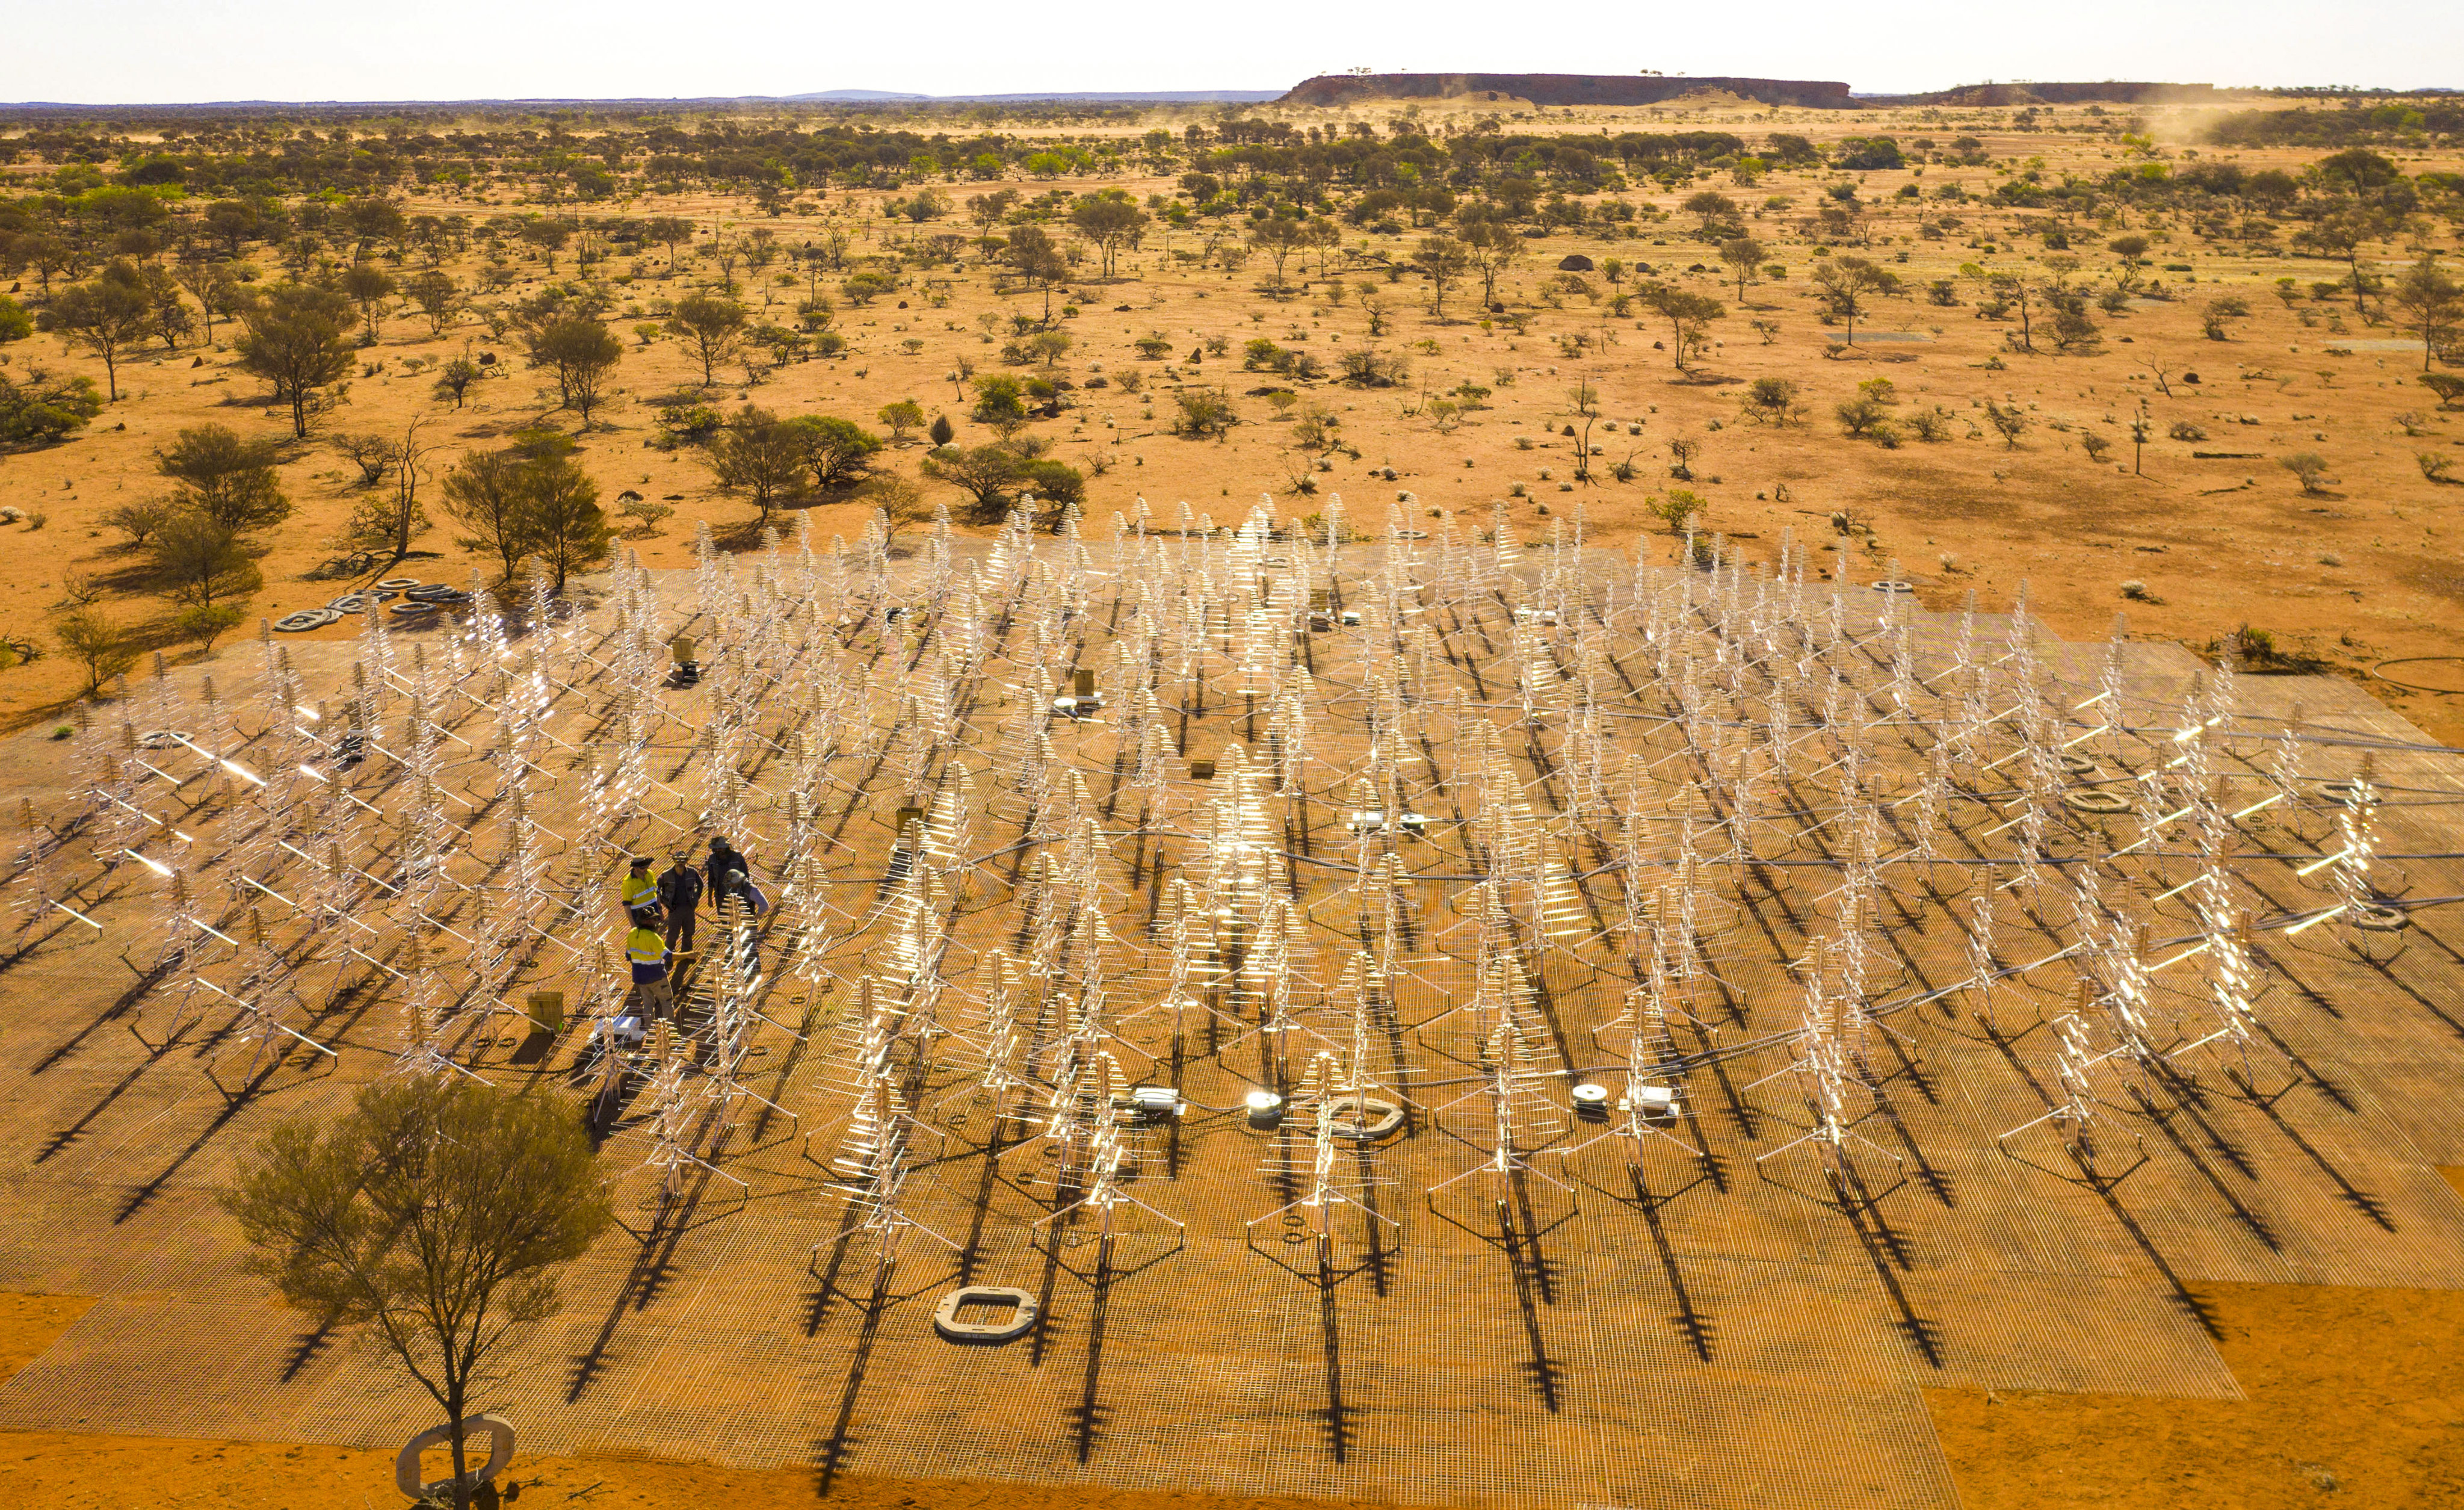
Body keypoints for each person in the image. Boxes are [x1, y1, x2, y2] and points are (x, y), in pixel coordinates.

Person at [626, 912, 675, 1021]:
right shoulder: (654, 938)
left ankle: (650, 1031)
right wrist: (689, 955)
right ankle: (670, 1031)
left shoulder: (633, 933)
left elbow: (628, 956)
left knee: (648, 1004)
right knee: (667, 1002)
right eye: (654, 919)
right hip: (657, 977)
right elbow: (669, 956)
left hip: (640, 978)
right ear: (647, 921)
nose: (656, 922)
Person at [658, 850, 704, 957]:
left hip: (689, 908)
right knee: (673, 934)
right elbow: (657, 889)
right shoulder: (666, 875)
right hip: (675, 909)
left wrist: (696, 898)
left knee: (689, 931)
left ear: (686, 861)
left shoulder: (692, 872)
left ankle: (687, 953)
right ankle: (669, 956)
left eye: (682, 861)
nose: (680, 863)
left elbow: (701, 884)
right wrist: (665, 902)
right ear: (674, 861)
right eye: (678, 860)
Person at [619, 856, 658, 924]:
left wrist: (660, 910)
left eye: (647, 866)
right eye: (642, 868)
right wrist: (632, 924)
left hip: (654, 912)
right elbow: (627, 905)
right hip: (639, 916)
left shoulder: (650, 874)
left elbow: (657, 892)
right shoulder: (628, 882)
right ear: (635, 868)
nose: (646, 869)